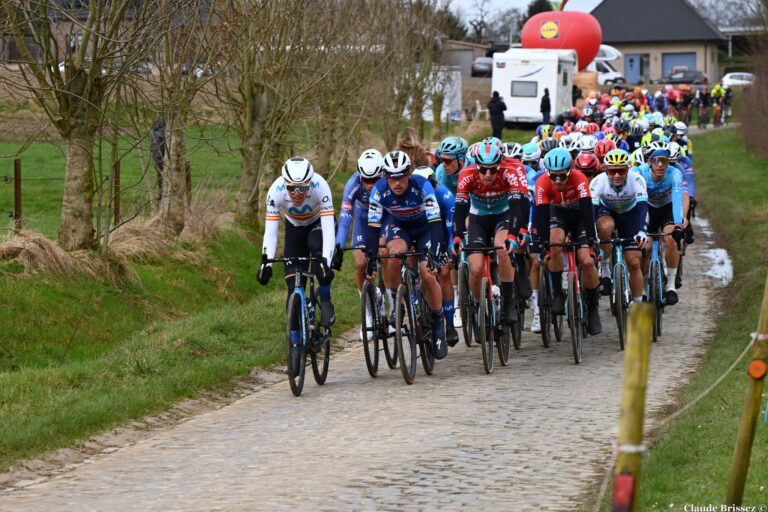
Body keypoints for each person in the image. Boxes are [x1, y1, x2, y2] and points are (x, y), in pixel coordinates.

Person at [365, 151, 449, 359]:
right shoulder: (379, 190)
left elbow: (436, 222)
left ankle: (438, 322)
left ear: (409, 173)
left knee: (426, 271)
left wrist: (435, 253)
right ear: (385, 176)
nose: (397, 182)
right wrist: (370, 260)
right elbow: (373, 227)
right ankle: (396, 301)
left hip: (425, 228)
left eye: (401, 176)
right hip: (400, 227)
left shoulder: (422, 185)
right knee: (394, 254)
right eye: (392, 177)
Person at [452, 137, 529, 326]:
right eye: (483, 169)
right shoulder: (467, 174)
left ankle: (509, 303)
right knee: (476, 268)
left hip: (503, 215)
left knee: (501, 248)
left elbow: (517, 206)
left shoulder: (510, 171)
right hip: (478, 218)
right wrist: (456, 236)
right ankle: (478, 308)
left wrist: (513, 234)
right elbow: (460, 209)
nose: (487, 174)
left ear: (500, 163)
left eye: (492, 169)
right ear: (476, 164)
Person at [258, 156, 336, 327]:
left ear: (310, 182)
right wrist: (266, 265)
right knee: (293, 287)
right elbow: (270, 233)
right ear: (285, 183)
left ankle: (325, 300)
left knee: (318, 254)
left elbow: (329, 229)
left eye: (302, 187)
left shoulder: (321, 186)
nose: (297, 193)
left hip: (318, 225)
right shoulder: (275, 191)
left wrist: (326, 261)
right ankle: (296, 340)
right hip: (294, 228)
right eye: (292, 187)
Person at [535, 148, 602, 335]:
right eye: (553, 176)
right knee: (554, 243)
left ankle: (594, 308)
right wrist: (543, 244)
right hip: (559, 215)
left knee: (587, 261)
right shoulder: (542, 182)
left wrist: (591, 238)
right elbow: (542, 216)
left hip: (580, 216)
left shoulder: (579, 178)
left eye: (562, 176)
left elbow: (588, 211)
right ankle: (558, 292)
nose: (558, 181)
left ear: (569, 171)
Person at [332, 149, 385, 339]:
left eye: (374, 180)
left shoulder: (390, 181)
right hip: (362, 219)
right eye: (366, 180)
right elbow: (346, 217)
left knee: (386, 254)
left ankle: (390, 299)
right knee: (360, 263)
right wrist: (338, 246)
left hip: (385, 216)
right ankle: (368, 312)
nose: (370, 185)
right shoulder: (352, 185)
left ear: (382, 174)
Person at [590, 149, 649, 305]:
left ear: (627, 169)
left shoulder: (637, 180)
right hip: (607, 211)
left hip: (630, 214)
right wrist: (591, 233)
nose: (616, 175)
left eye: (621, 171)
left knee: (634, 262)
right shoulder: (598, 181)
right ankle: (606, 271)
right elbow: (591, 210)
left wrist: (642, 230)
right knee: (605, 227)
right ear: (606, 170)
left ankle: (637, 304)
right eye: (612, 171)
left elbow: (643, 207)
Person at [412, 166, 458, 346]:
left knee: (444, 272)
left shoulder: (444, 196)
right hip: (418, 230)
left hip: (439, 231)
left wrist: (447, 250)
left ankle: (449, 323)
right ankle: (413, 294)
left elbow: (449, 228)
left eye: (432, 185)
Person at [635, 148, 686, 305]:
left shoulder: (675, 174)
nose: (660, 165)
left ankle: (670, 286)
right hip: (647, 208)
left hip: (666, 209)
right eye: (657, 161)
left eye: (665, 161)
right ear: (649, 162)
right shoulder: (638, 172)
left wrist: (679, 222)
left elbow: (678, 198)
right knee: (644, 246)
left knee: (671, 239)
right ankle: (643, 285)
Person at [149, 117, 166, 206]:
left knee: (162, 182)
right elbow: (158, 153)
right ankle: (161, 202)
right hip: (161, 162)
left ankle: (161, 201)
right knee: (162, 183)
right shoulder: (157, 135)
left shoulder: (155, 134)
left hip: (160, 162)